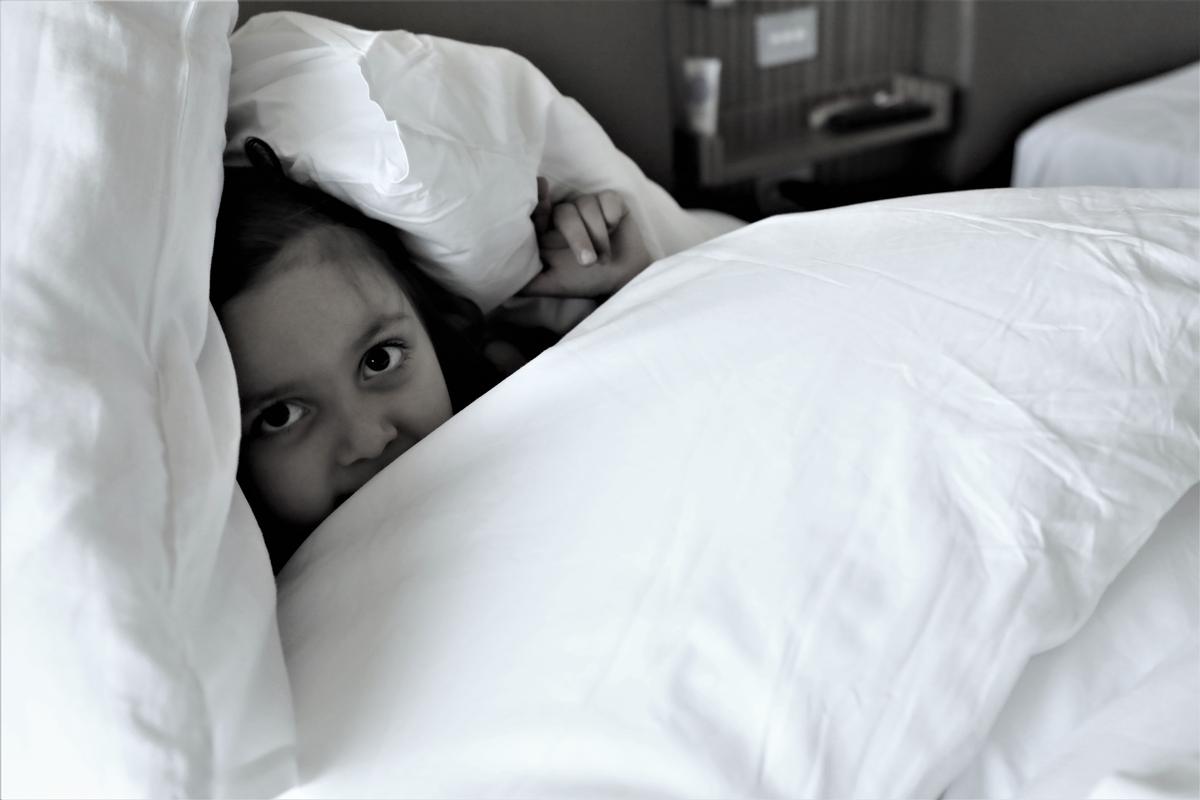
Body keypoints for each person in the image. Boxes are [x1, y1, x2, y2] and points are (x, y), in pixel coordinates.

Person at [211, 138, 652, 570]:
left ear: (432, 332)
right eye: (281, 415)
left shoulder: (515, 395)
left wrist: (626, 291)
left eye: (379, 359)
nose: (367, 440)